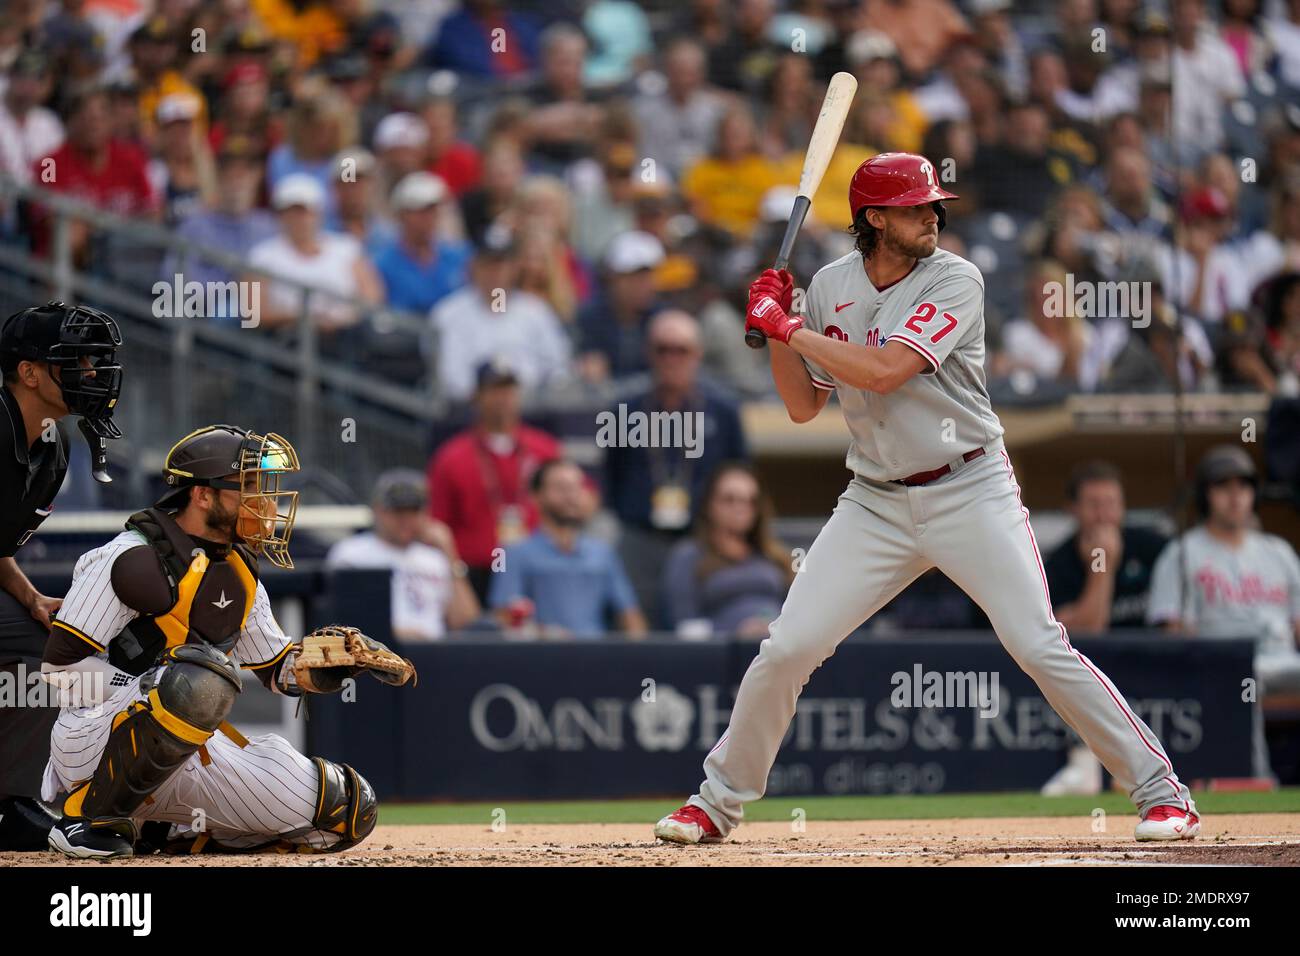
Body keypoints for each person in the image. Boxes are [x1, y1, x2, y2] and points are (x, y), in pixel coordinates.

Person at [654, 152, 1200, 847]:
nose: (933, 215)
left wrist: (788, 326)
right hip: (875, 501)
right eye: (915, 207)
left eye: (933, 204)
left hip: (970, 486)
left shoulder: (956, 278)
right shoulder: (829, 286)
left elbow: (885, 373)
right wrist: (779, 325)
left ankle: (1163, 793)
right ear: (874, 219)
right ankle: (716, 803)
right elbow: (798, 406)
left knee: (1038, 642)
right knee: (788, 647)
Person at [40, 425, 407, 858]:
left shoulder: (239, 570)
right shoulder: (127, 557)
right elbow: (59, 670)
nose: (265, 502)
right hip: (91, 741)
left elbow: (276, 670)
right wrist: (154, 686)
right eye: (250, 487)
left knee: (344, 810)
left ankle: (166, 831)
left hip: (188, 752)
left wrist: (330, 664)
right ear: (202, 496)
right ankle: (89, 820)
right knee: (196, 680)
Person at [0, 302, 123, 852]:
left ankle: (11, 804)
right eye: (76, 361)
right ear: (28, 372)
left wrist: (30, 598)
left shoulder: (52, 446)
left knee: (52, 649)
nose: (92, 374)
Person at [1147, 445, 1300, 778]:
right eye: (1223, 487)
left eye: (1243, 487)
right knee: (1246, 681)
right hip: (1225, 667)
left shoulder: (1278, 551)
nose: (1235, 497)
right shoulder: (1183, 552)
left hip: (1284, 660)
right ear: (1206, 495)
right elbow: (1173, 632)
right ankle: (1260, 783)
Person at [604, 311, 750, 616]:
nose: (671, 358)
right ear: (649, 353)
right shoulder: (624, 410)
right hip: (639, 538)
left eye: (680, 350)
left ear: (697, 354)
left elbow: (740, 475)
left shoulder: (723, 411)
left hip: (701, 541)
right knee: (635, 625)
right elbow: (611, 476)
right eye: (662, 349)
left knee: (694, 630)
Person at [427, 360, 561, 602]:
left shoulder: (544, 449)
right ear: (477, 396)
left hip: (538, 568)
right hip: (476, 571)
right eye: (495, 390)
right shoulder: (452, 457)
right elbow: (438, 523)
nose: (503, 398)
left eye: (509, 390)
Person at [490, 459, 646, 639]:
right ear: (536, 496)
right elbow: (502, 615)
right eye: (561, 488)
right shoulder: (509, 553)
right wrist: (545, 634)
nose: (571, 496)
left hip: (597, 657)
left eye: (576, 488)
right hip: (540, 657)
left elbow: (629, 612)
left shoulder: (604, 553)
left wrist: (638, 655)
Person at [325, 469, 480, 641]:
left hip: (434, 654)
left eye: (413, 511)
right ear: (377, 510)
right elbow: (345, 623)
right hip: (376, 653)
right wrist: (395, 635)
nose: (406, 520)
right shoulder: (352, 554)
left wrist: (450, 553)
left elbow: (465, 621)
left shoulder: (435, 558)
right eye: (398, 511)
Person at [430, 226, 571, 403]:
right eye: (488, 264)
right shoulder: (448, 313)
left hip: (532, 410)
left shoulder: (535, 311)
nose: (495, 273)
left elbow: (558, 367)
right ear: (474, 266)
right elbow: (448, 377)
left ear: (514, 267)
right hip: (468, 413)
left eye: (501, 264)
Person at [661, 462, 793, 638]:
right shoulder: (688, 556)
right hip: (722, 656)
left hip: (779, 650)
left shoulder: (776, 556)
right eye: (729, 499)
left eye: (750, 501)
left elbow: (801, 614)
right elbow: (685, 627)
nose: (740, 508)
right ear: (710, 504)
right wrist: (734, 632)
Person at [1045, 461, 1169, 634]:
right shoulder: (1058, 565)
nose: (1103, 515)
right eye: (1093, 505)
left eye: (1111, 503)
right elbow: (1087, 629)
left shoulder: (1153, 547)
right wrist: (1102, 564)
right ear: (1073, 509)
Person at [372, 172, 470, 314]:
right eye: (419, 211)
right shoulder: (382, 263)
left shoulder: (459, 256)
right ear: (401, 215)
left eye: (432, 210)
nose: (428, 217)